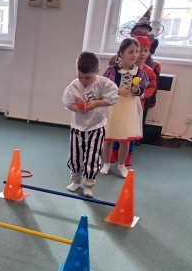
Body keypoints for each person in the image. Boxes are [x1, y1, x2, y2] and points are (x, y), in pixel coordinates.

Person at [61, 52, 119, 198]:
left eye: (88, 78)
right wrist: (77, 108)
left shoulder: (103, 83)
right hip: (77, 127)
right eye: (80, 76)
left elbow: (113, 99)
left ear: (97, 72)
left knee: (92, 157)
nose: (84, 81)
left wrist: (97, 103)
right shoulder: (74, 86)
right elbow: (68, 103)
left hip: (96, 127)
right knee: (75, 156)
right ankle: (75, 180)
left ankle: (88, 185)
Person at [100, 37, 149, 178]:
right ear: (121, 53)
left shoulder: (139, 72)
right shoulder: (112, 70)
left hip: (129, 108)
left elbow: (142, 92)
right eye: (131, 52)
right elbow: (104, 88)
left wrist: (136, 90)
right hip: (113, 107)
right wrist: (117, 90)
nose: (135, 55)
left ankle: (121, 165)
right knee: (108, 137)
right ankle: (106, 163)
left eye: (137, 51)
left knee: (125, 140)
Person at [110, 36, 157, 166]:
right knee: (117, 127)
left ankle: (128, 155)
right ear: (122, 53)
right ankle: (114, 151)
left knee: (129, 131)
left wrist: (142, 94)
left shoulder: (145, 71)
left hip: (135, 105)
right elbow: (109, 85)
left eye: (144, 51)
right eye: (137, 51)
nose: (140, 54)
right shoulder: (117, 69)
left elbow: (150, 87)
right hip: (119, 105)